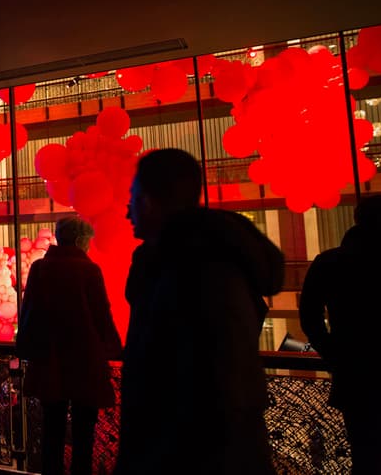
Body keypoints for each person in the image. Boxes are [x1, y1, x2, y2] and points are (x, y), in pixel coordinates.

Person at [115, 148, 284, 475]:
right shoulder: (186, 262)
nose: (127, 212)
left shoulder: (195, 268)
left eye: (132, 198)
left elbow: (213, 388)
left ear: (149, 201)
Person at [16, 216, 123, 475]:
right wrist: (116, 349)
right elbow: (102, 315)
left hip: (49, 361)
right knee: (84, 434)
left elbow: (29, 312)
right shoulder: (89, 270)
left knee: (51, 429)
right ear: (78, 240)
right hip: (85, 362)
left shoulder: (40, 269)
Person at [299, 194, 381, 475]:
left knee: (365, 452)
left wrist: (335, 353)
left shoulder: (330, 262)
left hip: (355, 374)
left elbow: (310, 317)